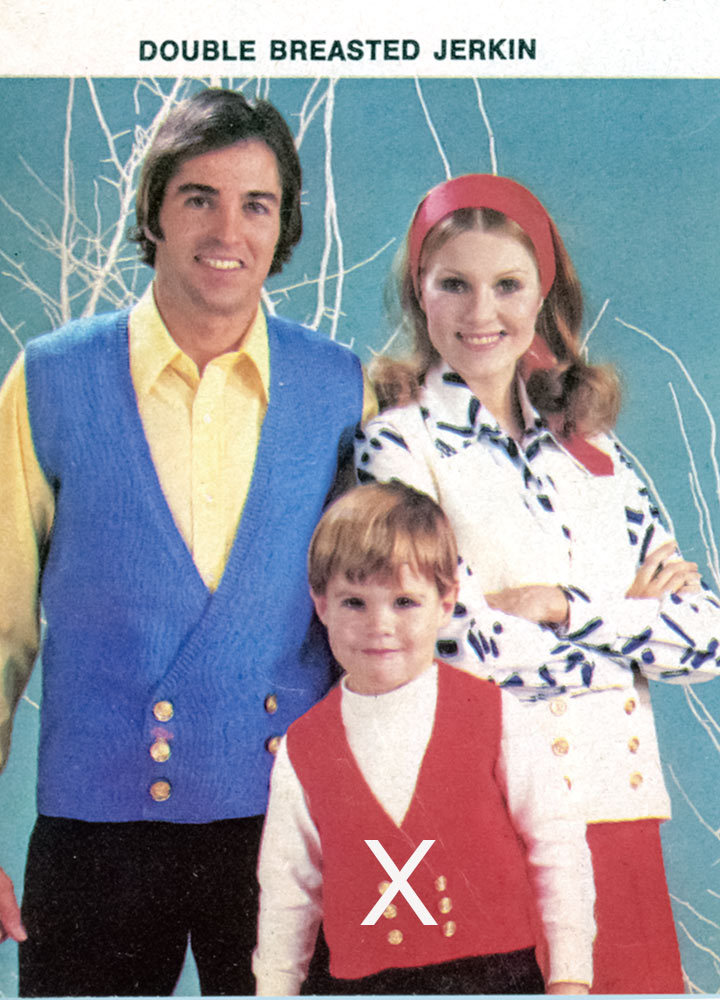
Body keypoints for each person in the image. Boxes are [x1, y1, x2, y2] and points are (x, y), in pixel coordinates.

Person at [0, 88, 368, 997]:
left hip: (294, 829)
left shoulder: (339, 387)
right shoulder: (49, 379)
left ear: (283, 226)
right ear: (153, 212)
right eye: (199, 198)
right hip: (96, 836)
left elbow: (383, 616)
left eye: (257, 205)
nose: (227, 231)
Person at [354, 173, 720, 995]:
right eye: (454, 284)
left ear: (543, 294)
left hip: (621, 813)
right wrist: (630, 627)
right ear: (419, 294)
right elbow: (446, 643)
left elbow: (707, 635)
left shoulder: (595, 452)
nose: (481, 312)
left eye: (508, 286)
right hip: (491, 816)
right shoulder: (399, 444)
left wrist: (559, 607)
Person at [253, 481, 596, 996]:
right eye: (354, 602)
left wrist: (570, 977)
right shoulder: (303, 746)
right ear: (320, 605)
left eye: (404, 601)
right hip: (362, 987)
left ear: (446, 602)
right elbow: (288, 892)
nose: (379, 625)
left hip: (495, 981)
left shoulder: (495, 715)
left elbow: (557, 846)